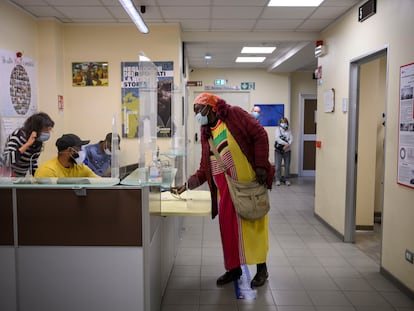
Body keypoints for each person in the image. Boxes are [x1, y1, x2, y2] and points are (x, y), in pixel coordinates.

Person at [174, 93, 275, 288]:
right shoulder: (206, 134)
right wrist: (186, 185)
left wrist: (262, 165)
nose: (197, 115)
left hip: (248, 187)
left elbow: (260, 134)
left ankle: (262, 269)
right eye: (194, 111)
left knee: (254, 228)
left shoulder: (234, 116)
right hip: (225, 193)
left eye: (198, 110)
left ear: (210, 108)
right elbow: (204, 170)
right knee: (228, 231)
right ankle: (234, 269)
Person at [1, 112, 54, 177]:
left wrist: (38, 177)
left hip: (20, 178)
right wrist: (27, 144)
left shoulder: (37, 141)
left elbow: (33, 162)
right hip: (7, 178)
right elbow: (6, 160)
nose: (48, 133)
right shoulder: (17, 136)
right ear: (36, 129)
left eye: (49, 130)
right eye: (45, 130)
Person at [34, 133, 99, 178]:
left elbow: (98, 181)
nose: (81, 151)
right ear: (70, 150)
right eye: (79, 148)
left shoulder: (80, 167)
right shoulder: (48, 171)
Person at [274, 117, 293, 186]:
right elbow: (277, 139)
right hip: (279, 151)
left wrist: (288, 145)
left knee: (287, 166)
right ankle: (277, 179)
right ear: (280, 123)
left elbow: (291, 138)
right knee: (278, 166)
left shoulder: (289, 130)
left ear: (287, 123)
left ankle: (287, 179)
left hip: (287, 151)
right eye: (282, 122)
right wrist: (286, 144)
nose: (284, 124)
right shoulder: (278, 130)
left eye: (285, 122)